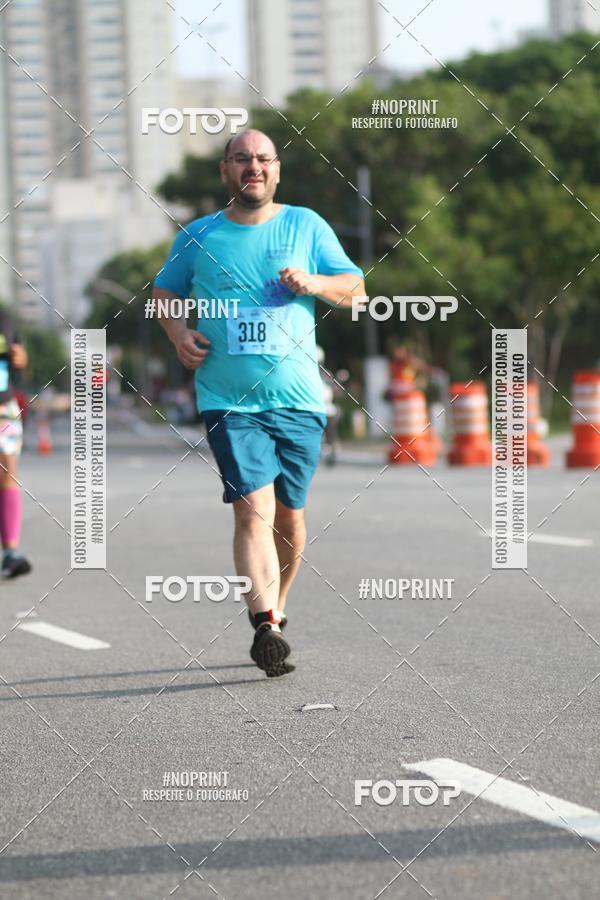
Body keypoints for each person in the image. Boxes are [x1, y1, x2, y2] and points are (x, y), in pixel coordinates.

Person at [154, 129, 365, 677]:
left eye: (264, 159)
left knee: (291, 521)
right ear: (226, 170)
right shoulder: (199, 236)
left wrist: (314, 282)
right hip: (228, 398)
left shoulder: (305, 224)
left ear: (277, 170)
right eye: (243, 158)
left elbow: (356, 289)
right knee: (254, 511)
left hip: (298, 399)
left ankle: (277, 607)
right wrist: (179, 336)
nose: (255, 166)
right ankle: (265, 624)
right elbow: (164, 294)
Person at [0, 309, 31, 578]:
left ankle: (11, 553)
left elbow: (20, 354)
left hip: (3, 406)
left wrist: (20, 357)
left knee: (8, 472)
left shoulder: (5, 318)